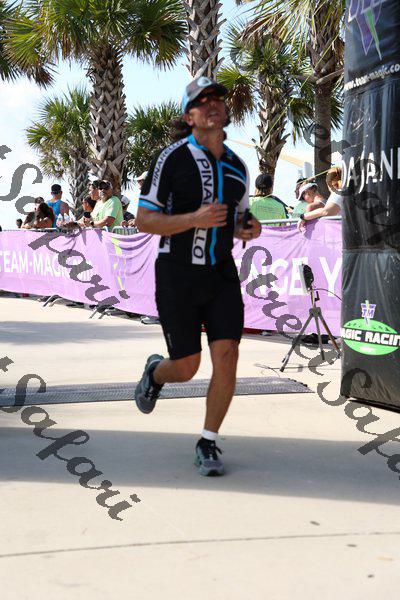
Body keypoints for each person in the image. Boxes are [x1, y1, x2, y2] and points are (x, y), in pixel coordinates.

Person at [134, 75, 262, 477]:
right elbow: (143, 220)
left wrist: (249, 228)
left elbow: (241, 219)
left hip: (221, 274)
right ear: (189, 117)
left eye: (217, 99)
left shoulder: (238, 166)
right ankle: (156, 372)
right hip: (177, 273)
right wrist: (194, 219)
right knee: (186, 366)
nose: (212, 105)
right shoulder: (171, 157)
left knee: (227, 356)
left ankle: (208, 440)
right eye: (202, 101)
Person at [297, 167, 343, 231]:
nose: (304, 200)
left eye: (302, 197)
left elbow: (326, 211)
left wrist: (303, 216)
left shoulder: (337, 193)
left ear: (307, 192)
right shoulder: (346, 193)